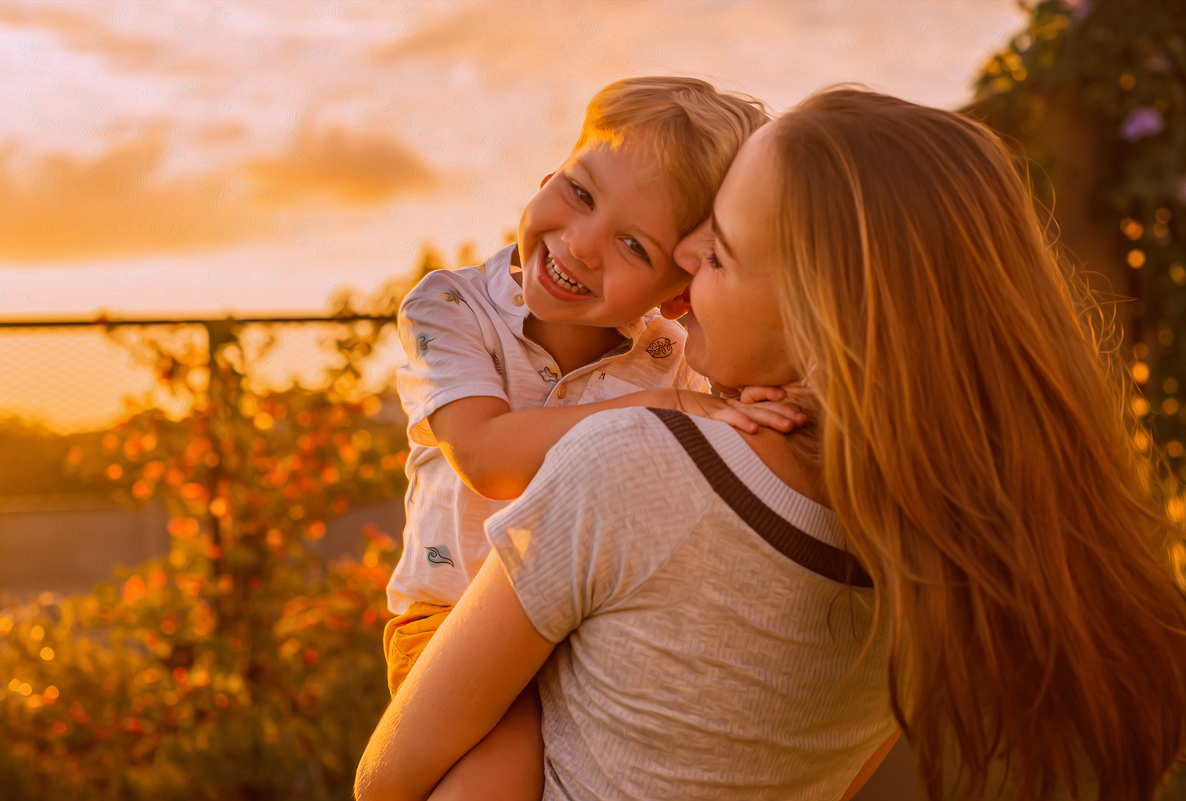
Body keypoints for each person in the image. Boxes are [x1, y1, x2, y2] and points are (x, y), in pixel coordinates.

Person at [360, 88, 1186, 801]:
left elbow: (386, 779)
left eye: (714, 250)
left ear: (817, 319)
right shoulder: (925, 551)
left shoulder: (627, 468)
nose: (683, 266)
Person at [381, 77, 801, 798]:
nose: (579, 245)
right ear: (550, 175)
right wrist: (660, 406)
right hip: (452, 620)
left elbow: (725, 432)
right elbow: (487, 457)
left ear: (677, 291)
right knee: (501, 774)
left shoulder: (673, 352)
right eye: (579, 193)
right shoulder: (451, 308)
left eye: (633, 243)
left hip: (588, 626)